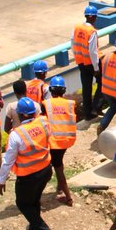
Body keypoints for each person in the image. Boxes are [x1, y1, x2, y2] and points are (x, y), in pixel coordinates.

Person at [0, 97, 57, 230]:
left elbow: (8, 160)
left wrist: (1, 179)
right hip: (45, 170)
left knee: (23, 203)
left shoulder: (16, 135)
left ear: (20, 114)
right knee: (34, 201)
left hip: (28, 176)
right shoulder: (44, 122)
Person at [46, 75, 77, 206]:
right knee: (59, 162)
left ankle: (68, 197)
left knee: (58, 168)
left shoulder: (46, 104)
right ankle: (59, 187)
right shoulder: (70, 104)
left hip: (54, 142)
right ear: (63, 90)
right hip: (67, 140)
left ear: (51, 90)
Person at [72, 5, 101, 120]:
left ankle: (87, 113)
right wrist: (96, 68)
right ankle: (95, 107)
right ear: (94, 17)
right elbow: (93, 51)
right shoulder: (91, 31)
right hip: (90, 63)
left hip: (80, 62)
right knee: (102, 83)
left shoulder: (77, 27)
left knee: (86, 88)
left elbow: (72, 43)